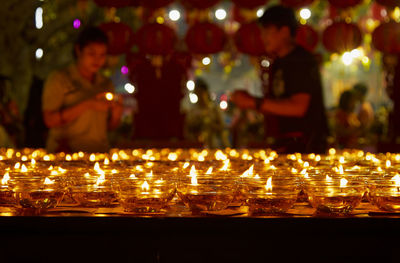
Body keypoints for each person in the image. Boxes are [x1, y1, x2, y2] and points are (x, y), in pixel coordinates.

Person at [231, 5, 328, 153]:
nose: (262, 37)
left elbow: (298, 107)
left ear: (284, 32)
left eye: (267, 32)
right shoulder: (278, 63)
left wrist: (253, 102)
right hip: (287, 143)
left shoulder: (300, 60)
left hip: (306, 146)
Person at [42, 26, 123, 153]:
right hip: (66, 156)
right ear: (79, 50)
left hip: (99, 155)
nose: (97, 60)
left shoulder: (105, 84)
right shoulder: (60, 79)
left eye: (102, 55)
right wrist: (88, 104)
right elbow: (50, 120)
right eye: (92, 53)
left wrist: (116, 115)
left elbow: (108, 127)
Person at [185, 78, 228, 148]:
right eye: (197, 92)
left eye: (201, 92)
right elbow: (187, 131)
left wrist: (211, 126)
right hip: (197, 146)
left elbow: (222, 127)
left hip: (213, 145)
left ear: (205, 92)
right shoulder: (192, 111)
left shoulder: (214, 109)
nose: (199, 95)